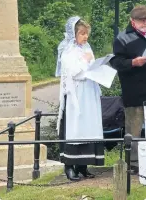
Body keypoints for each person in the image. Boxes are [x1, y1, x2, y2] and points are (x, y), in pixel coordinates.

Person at [110, 5, 146, 171]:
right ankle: (133, 163)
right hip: (134, 90)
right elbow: (116, 62)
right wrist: (133, 62)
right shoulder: (122, 38)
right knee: (134, 128)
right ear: (132, 21)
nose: (145, 23)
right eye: (141, 21)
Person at [55, 16, 104, 181]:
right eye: (82, 33)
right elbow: (73, 72)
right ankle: (69, 166)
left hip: (89, 94)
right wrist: (86, 62)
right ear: (73, 34)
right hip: (76, 94)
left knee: (89, 126)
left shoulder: (87, 49)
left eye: (86, 33)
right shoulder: (67, 51)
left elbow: (92, 67)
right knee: (76, 128)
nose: (85, 37)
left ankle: (83, 165)